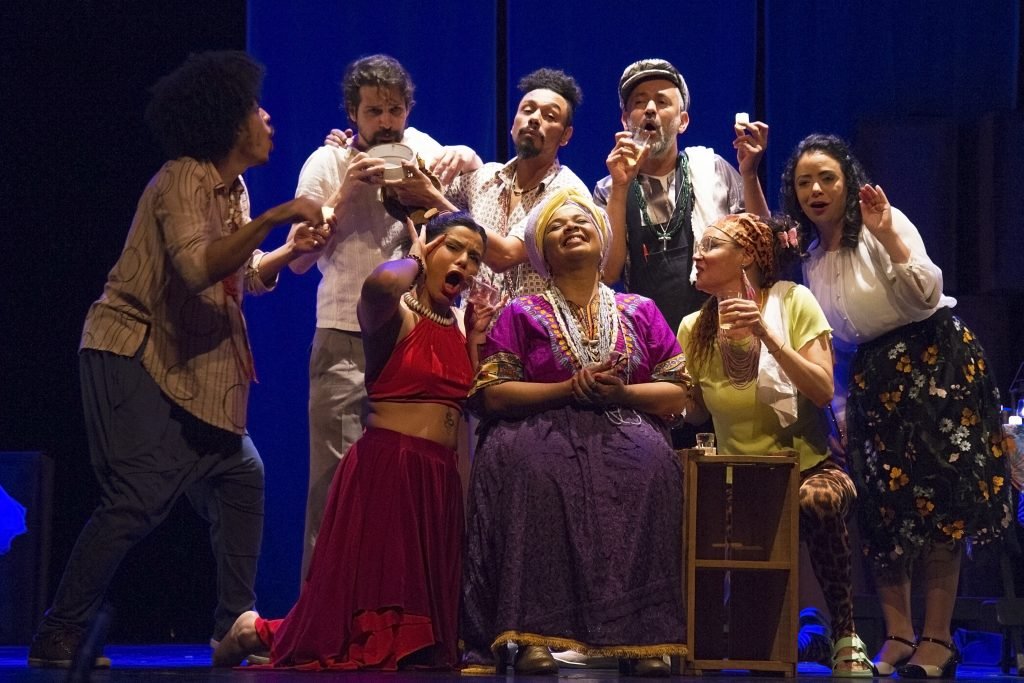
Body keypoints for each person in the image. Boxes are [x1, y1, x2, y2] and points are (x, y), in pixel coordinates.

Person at [27, 51, 333, 668]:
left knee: (241, 474)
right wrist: (278, 216)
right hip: (132, 350)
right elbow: (197, 269)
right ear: (226, 119)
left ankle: (231, 628)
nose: (267, 117)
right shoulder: (183, 177)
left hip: (193, 366)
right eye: (255, 108)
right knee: (137, 495)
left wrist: (283, 249)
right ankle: (58, 633)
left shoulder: (232, 187)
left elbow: (237, 273)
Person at [213, 212, 493, 670]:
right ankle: (252, 630)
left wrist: (476, 341)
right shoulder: (394, 310)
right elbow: (379, 285)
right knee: (360, 628)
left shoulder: (460, 325)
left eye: (475, 257)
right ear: (427, 248)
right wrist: (414, 262)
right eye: (454, 247)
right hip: (389, 471)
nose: (466, 261)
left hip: (436, 481)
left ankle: (259, 630)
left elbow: (465, 403)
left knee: (417, 644)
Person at [777, 134, 1010, 678]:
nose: (815, 190)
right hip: (874, 379)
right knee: (883, 510)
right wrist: (837, 406)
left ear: (849, 181)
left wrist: (888, 236)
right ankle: (898, 635)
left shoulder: (882, 222)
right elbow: (835, 339)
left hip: (934, 364)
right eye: (804, 181)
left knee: (938, 506)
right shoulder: (811, 256)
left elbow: (928, 292)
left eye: (827, 178)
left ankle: (937, 639)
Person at [460, 188, 691, 677]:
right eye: (558, 226)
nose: (571, 227)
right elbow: (496, 394)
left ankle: (643, 636)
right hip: (541, 425)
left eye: (581, 220)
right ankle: (531, 637)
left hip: (624, 422)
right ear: (543, 253)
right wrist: (568, 387)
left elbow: (677, 394)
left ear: (603, 242)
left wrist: (622, 395)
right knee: (535, 469)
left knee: (653, 466)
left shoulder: (641, 309)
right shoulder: (521, 312)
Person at [287, 54, 482, 583]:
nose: (386, 122)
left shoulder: (424, 152)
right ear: (353, 114)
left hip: (416, 338)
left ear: (408, 110)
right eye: (374, 111)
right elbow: (299, 259)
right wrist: (348, 188)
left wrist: (461, 161)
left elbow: (473, 217)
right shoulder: (325, 163)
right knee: (335, 478)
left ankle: (393, 609)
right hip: (346, 334)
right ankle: (317, 615)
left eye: (395, 110)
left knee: (410, 482)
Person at [676, 212, 872, 676]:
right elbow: (698, 413)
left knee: (819, 499)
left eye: (710, 245)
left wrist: (766, 333)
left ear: (746, 256)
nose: (697, 254)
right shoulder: (693, 328)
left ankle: (845, 629)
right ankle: (697, 635)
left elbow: (823, 391)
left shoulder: (793, 301)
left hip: (805, 468)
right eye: (698, 246)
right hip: (734, 477)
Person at [594, 57, 770, 332]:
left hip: (717, 330)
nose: (650, 109)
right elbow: (609, 272)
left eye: (662, 102)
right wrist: (620, 188)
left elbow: (763, 246)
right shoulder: (608, 187)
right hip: (646, 337)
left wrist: (749, 174)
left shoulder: (712, 170)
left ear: (682, 121)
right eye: (639, 102)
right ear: (625, 120)